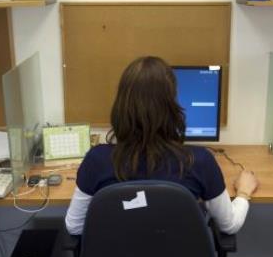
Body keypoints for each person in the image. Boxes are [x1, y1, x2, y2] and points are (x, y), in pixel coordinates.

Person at [65, 56, 258, 236]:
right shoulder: (199, 161)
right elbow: (229, 225)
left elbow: (74, 227)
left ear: (121, 106)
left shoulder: (97, 161)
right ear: (172, 107)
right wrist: (243, 192)